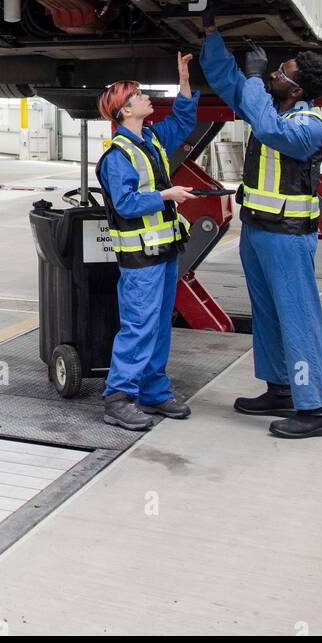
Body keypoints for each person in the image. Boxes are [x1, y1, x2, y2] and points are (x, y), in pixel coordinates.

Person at [200, 22, 322, 439]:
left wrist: (257, 79)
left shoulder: (310, 125)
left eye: (281, 73)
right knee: (269, 315)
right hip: (257, 231)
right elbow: (230, 82)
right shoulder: (270, 108)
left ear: (296, 90)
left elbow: (271, 131)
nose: (273, 74)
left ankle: (314, 411)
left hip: (288, 237)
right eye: (273, 71)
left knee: (297, 318)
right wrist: (211, 35)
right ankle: (280, 389)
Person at [95, 52, 198, 431]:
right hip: (140, 257)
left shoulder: (151, 139)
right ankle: (118, 397)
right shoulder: (117, 157)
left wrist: (184, 80)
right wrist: (167, 196)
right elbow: (125, 204)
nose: (145, 98)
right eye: (137, 96)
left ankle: (154, 391)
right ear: (124, 111)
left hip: (164, 251)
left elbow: (185, 120)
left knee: (158, 324)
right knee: (139, 325)